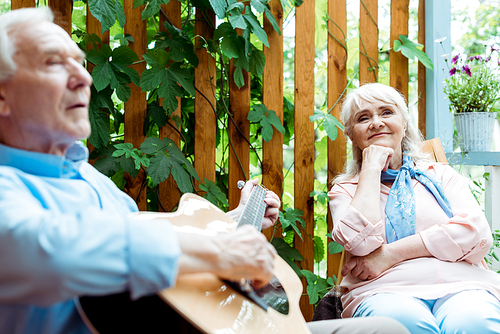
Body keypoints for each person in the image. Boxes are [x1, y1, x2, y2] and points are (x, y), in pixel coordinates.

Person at [0, 7, 410, 334]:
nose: (83, 77)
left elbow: (158, 243)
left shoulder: (89, 178)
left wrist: (236, 223)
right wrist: (217, 251)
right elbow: (39, 248)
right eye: (54, 63)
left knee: (384, 329)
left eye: (81, 62)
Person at [328, 82, 500, 333]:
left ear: (404, 123)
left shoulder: (441, 175)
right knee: (403, 325)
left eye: (387, 112)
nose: (376, 122)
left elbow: (475, 232)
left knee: (474, 322)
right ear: (352, 135)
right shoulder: (345, 189)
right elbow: (359, 243)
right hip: (384, 290)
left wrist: (389, 255)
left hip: (463, 285)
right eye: (363, 118)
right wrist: (372, 168)